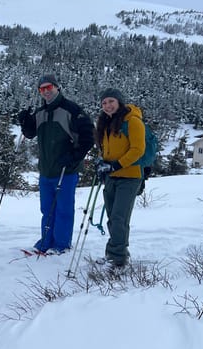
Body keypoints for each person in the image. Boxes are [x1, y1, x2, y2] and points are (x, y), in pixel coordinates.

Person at [18, 74, 94, 254]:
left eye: (48, 87)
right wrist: (24, 122)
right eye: (41, 89)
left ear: (57, 87)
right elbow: (30, 133)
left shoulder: (72, 110)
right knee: (47, 209)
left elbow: (88, 137)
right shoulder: (41, 112)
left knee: (63, 209)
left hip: (66, 170)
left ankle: (61, 244)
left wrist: (74, 156)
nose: (45, 92)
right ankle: (45, 242)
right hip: (46, 169)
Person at [94, 88, 145, 268]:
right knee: (112, 217)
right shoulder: (106, 122)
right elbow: (107, 149)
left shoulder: (132, 121)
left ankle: (118, 258)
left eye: (111, 101)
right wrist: (102, 162)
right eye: (104, 103)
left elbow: (138, 150)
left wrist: (116, 165)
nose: (107, 106)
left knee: (119, 218)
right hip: (111, 177)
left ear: (119, 102)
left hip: (129, 177)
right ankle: (115, 252)